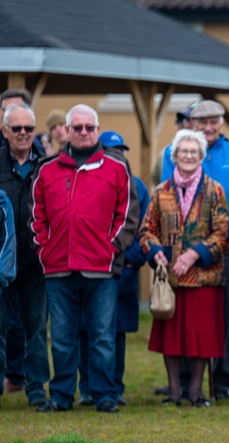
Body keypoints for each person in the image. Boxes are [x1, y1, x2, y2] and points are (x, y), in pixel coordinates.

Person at [31, 104, 139, 413]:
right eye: (76, 127)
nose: (83, 132)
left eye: (89, 127)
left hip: (101, 267)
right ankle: (61, 395)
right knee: (62, 337)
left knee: (102, 336)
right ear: (67, 130)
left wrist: (112, 248)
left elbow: (127, 214)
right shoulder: (47, 170)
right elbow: (36, 216)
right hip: (58, 267)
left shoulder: (117, 167)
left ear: (97, 129)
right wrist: (45, 249)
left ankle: (104, 394)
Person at [161, 99, 229, 402]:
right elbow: (166, 197)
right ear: (191, 124)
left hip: (225, 248)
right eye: (203, 122)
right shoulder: (171, 152)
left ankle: (223, 381)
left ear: (222, 123)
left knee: (223, 318)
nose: (209, 128)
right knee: (183, 317)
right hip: (179, 253)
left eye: (215, 121)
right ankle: (184, 381)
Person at [142, 129, 229, 408]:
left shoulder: (214, 190)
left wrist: (194, 254)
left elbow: (223, 232)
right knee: (171, 337)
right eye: (183, 151)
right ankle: (173, 392)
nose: (189, 155)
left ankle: (196, 392)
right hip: (170, 278)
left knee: (201, 338)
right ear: (174, 156)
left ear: (202, 156)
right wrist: (155, 252)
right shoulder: (161, 192)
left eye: (194, 151)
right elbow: (146, 231)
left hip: (203, 276)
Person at [75, 131, 150, 407]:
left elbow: (143, 228)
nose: (116, 154)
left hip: (122, 272)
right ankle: (86, 387)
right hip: (90, 269)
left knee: (114, 333)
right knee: (86, 330)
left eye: (120, 149)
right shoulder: (88, 179)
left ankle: (114, 387)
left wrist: (127, 260)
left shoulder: (137, 186)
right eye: (110, 149)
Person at [0, 103, 48, 407]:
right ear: (4, 131)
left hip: (34, 264)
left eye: (28, 128)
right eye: (16, 128)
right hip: (1, 264)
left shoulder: (47, 165)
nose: (22, 133)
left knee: (36, 331)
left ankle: (36, 392)